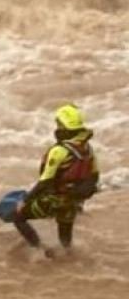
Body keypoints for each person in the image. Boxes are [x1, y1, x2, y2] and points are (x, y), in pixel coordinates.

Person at [13, 103, 100, 255]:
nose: (57, 127)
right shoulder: (87, 148)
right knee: (66, 240)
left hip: (55, 198)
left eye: (59, 124)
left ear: (64, 126)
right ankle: (69, 259)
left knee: (17, 217)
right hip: (72, 201)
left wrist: (25, 201)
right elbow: (94, 175)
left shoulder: (59, 151)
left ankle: (39, 249)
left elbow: (45, 181)